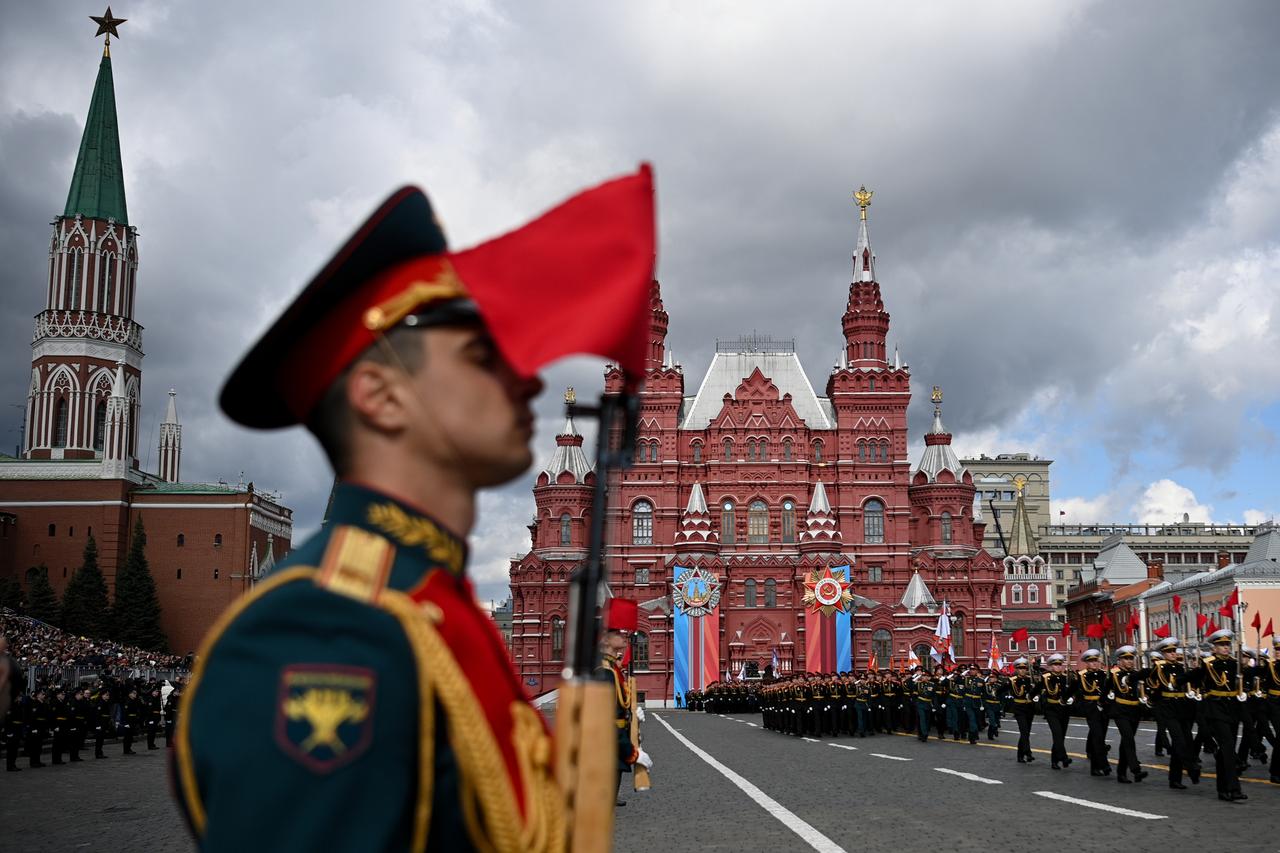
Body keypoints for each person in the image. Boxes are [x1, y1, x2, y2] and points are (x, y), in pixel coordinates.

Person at [173, 168, 655, 852]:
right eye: (481, 354)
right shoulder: (328, 632)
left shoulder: (434, 607)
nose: (526, 377)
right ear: (382, 395)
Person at [595, 598, 651, 807]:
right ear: (604, 640)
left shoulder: (612, 670)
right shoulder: (604, 672)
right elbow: (606, 721)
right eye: (617, 632)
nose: (623, 635)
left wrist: (631, 715)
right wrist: (632, 753)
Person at [1194, 629, 1247, 802]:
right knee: (1228, 748)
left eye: (1227, 644)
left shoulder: (1234, 663)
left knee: (1225, 751)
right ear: (1214, 648)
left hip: (1232, 709)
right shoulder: (1208, 664)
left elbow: (1241, 682)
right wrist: (1179, 681)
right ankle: (1234, 788)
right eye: (1222, 645)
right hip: (1215, 709)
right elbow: (1195, 677)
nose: (1225, 647)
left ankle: (1222, 789)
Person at [1142, 636, 1199, 789]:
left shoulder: (1181, 667)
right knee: (1178, 740)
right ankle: (1191, 768)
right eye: (1169, 651)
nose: (1173, 653)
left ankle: (1175, 779)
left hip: (1181, 707)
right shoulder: (1159, 667)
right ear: (1163, 653)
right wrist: (1153, 700)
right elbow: (1152, 684)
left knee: (1184, 741)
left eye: (1174, 650)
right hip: (1167, 707)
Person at [1107, 646, 1147, 784]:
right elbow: (1106, 691)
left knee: (1126, 742)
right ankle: (1136, 769)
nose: (1129, 661)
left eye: (1131, 658)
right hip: (1120, 711)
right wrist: (1105, 705)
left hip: (1134, 711)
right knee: (1129, 739)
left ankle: (1121, 772)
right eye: (1126, 658)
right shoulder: (1114, 674)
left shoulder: (1136, 674)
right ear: (1120, 660)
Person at [1075, 649, 1110, 777]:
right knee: (1098, 737)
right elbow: (1077, 693)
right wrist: (1081, 707)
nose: (1094, 663)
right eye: (1091, 661)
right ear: (1086, 663)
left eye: (1096, 660)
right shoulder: (1082, 675)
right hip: (1091, 709)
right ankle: (1103, 765)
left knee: (1100, 737)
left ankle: (1095, 767)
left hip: (1104, 709)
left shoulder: (1105, 675)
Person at [1040, 654, 1073, 770]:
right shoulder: (1046, 678)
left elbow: (1073, 690)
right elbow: (1037, 690)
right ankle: (1064, 758)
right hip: (1051, 710)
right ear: (1050, 666)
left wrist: (1072, 697)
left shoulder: (1066, 678)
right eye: (1055, 665)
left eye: (1060, 664)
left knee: (1061, 736)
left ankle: (1055, 760)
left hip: (1064, 710)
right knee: (1057, 734)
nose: (1058, 667)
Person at [1008, 658, 1037, 763]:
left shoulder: (1030, 680)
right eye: (1020, 668)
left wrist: (1034, 689)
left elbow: (1036, 692)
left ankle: (1020, 755)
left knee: (1026, 732)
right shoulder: (1012, 680)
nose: (1023, 670)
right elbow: (1002, 689)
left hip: (1029, 708)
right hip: (1019, 708)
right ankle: (1028, 753)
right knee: (1024, 731)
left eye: (1024, 668)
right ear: (1016, 669)